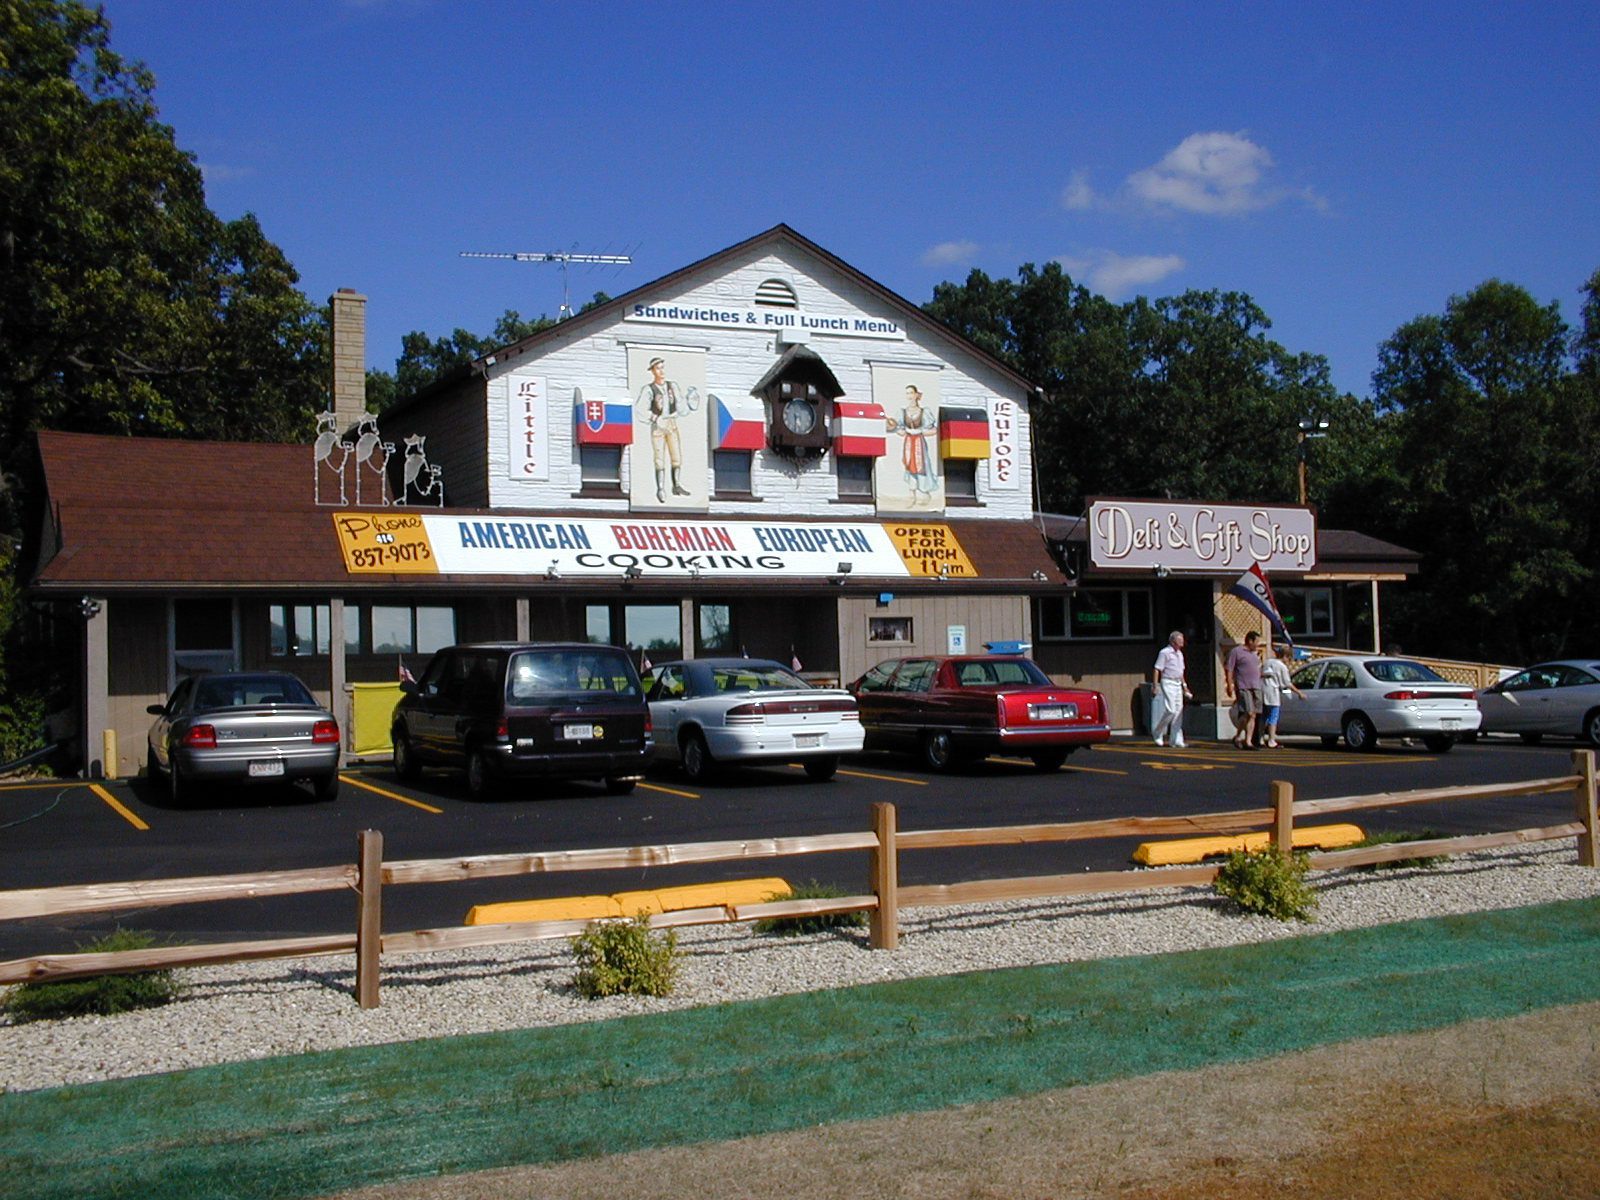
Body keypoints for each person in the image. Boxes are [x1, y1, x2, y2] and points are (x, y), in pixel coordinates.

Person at [635, 356, 699, 503]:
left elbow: (681, 406)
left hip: (671, 423)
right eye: (658, 368)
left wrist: (690, 403)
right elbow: (640, 410)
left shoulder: (672, 386)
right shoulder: (649, 389)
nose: (661, 371)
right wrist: (654, 418)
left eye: (662, 367)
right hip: (658, 425)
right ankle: (661, 488)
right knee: (659, 457)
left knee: (676, 454)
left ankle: (676, 485)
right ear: (652, 371)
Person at [884, 385, 938, 506]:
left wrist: (922, 432)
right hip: (909, 441)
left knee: (922, 466)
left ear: (916, 394)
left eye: (911, 393)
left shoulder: (924, 411)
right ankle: (912, 495)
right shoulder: (902, 412)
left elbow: (933, 430)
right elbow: (897, 427)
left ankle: (924, 493)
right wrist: (897, 429)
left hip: (919, 441)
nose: (909, 396)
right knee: (909, 466)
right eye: (907, 393)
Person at [1151, 630, 1192, 747]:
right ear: (1173, 641)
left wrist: (1185, 687)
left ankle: (1176, 739)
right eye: (1180, 641)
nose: (1182, 644)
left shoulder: (1180, 654)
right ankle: (1157, 732)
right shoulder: (1165, 652)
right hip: (1167, 682)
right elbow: (1157, 669)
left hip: (1177, 683)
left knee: (1179, 712)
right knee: (1171, 710)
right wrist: (1155, 685)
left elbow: (1181, 672)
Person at [1224, 630, 1265, 749]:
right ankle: (1239, 736)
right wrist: (1230, 685)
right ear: (1250, 641)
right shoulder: (1237, 651)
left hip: (1256, 686)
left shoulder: (1255, 654)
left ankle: (1247, 741)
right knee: (1248, 712)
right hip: (1243, 686)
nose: (1258, 644)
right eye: (1256, 642)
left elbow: (1257, 669)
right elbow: (1229, 669)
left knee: (1253, 715)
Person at [1260, 642, 1304, 749]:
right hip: (1273, 692)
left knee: (1263, 717)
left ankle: (1260, 738)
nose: (1289, 661)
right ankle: (1271, 740)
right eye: (1289, 659)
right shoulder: (1282, 667)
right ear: (1285, 656)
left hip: (1262, 690)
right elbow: (1287, 684)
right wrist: (1299, 693)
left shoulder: (1267, 662)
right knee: (1273, 717)